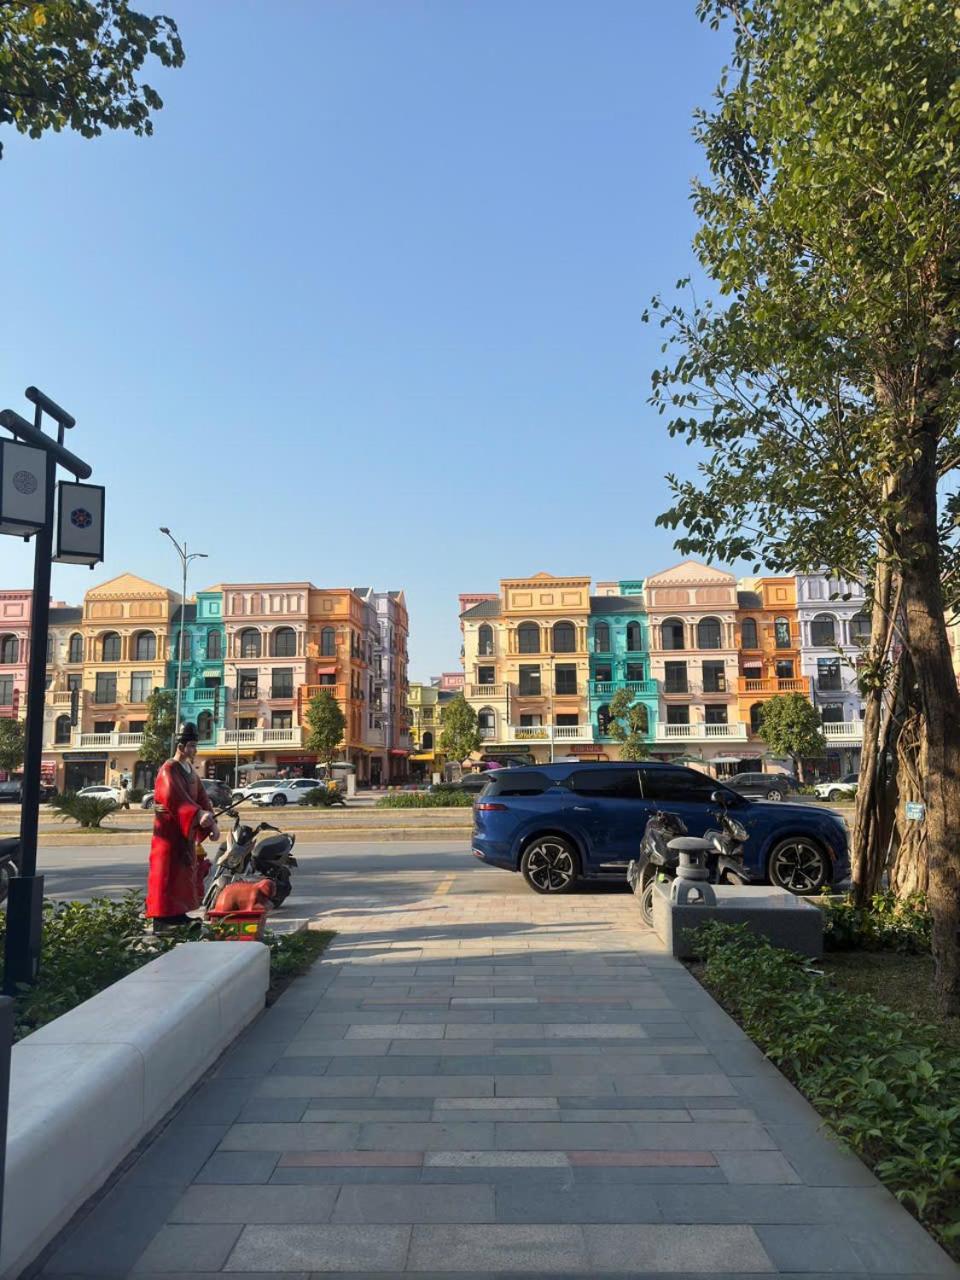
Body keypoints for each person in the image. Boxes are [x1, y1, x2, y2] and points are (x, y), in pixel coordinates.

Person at [145, 723, 219, 930]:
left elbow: (202, 798)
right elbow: (174, 796)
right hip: (168, 832)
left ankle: (178, 913)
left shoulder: (190, 771)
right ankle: (161, 918)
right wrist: (198, 814)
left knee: (183, 873)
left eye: (195, 745)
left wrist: (212, 822)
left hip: (184, 832)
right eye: (192, 745)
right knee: (166, 872)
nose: (195, 750)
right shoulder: (168, 769)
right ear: (180, 746)